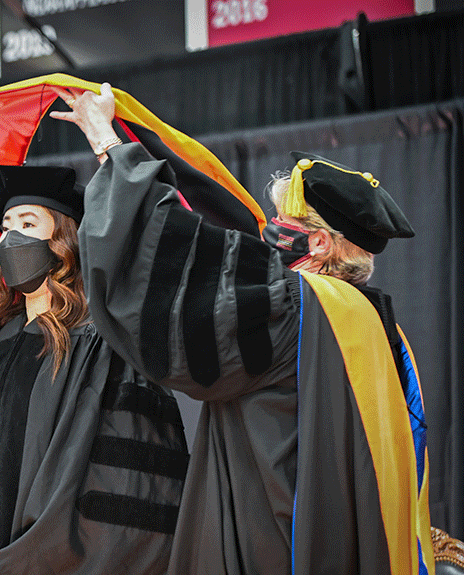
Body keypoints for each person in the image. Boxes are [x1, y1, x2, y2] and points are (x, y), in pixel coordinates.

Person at [51, 83, 434, 574]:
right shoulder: (378, 323)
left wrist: (108, 143)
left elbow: (165, 273)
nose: (272, 229)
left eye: (284, 220)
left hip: (276, 535)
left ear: (318, 243)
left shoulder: (298, 305)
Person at [0, 164, 189, 575]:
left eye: (27, 222)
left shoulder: (100, 344)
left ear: (64, 240)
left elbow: (108, 491)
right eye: (5, 226)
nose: (10, 238)